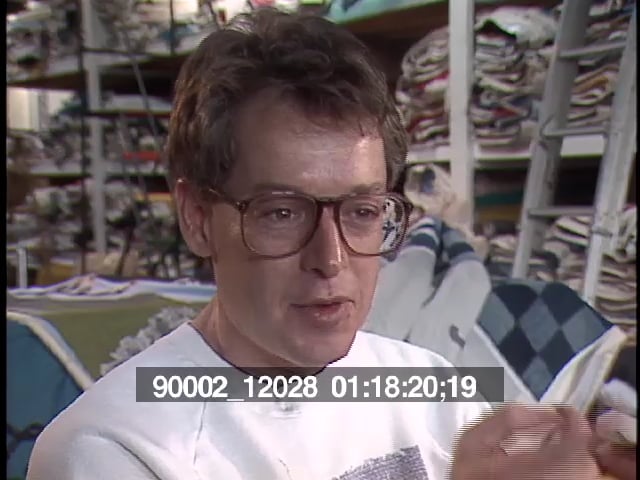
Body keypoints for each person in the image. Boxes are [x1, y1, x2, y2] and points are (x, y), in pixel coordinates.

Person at [27, 9, 634, 480]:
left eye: (363, 212)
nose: (332, 259)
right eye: (282, 213)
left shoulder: (425, 384)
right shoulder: (111, 448)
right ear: (196, 217)